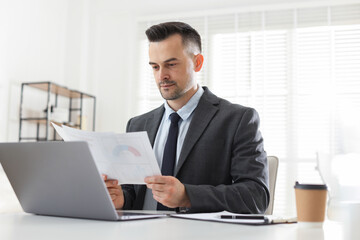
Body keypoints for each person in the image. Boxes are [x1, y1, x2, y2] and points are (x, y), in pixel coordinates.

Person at [104, 21, 269, 214]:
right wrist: (122, 199)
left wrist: (187, 196)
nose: (162, 75)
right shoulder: (138, 124)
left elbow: (256, 196)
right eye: (155, 67)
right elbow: (134, 192)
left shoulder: (237, 119)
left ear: (197, 63)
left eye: (171, 64)